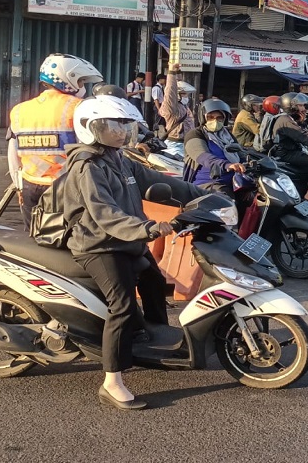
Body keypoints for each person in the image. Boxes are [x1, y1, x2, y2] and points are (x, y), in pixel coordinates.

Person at [61, 95, 205, 409]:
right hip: (99, 245)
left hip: (127, 240)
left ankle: (151, 342)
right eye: (114, 125)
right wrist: (147, 229)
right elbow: (104, 214)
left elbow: (155, 179)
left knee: (155, 283)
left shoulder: (119, 158)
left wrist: (203, 196)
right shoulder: (86, 166)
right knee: (123, 307)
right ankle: (112, 380)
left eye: (126, 125)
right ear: (91, 128)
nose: (123, 131)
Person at [7, 53, 104, 230]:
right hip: (64, 187)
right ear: (69, 78)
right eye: (81, 81)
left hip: (30, 185)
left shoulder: (19, 110)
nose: (82, 86)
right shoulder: (77, 107)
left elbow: (12, 154)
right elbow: (90, 149)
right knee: (70, 239)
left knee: (34, 235)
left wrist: (19, 185)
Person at [184, 99, 246, 194]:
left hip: (234, 181)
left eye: (219, 118)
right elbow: (203, 157)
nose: (215, 121)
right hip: (208, 183)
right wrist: (226, 165)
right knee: (227, 203)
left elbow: (241, 154)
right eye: (210, 117)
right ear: (204, 118)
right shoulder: (196, 134)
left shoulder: (227, 136)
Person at [159, 65, 196, 156]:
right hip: (174, 146)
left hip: (186, 144)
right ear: (178, 95)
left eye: (187, 94)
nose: (186, 96)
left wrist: (177, 73)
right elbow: (170, 92)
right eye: (184, 94)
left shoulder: (184, 107)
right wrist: (171, 73)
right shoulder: (172, 107)